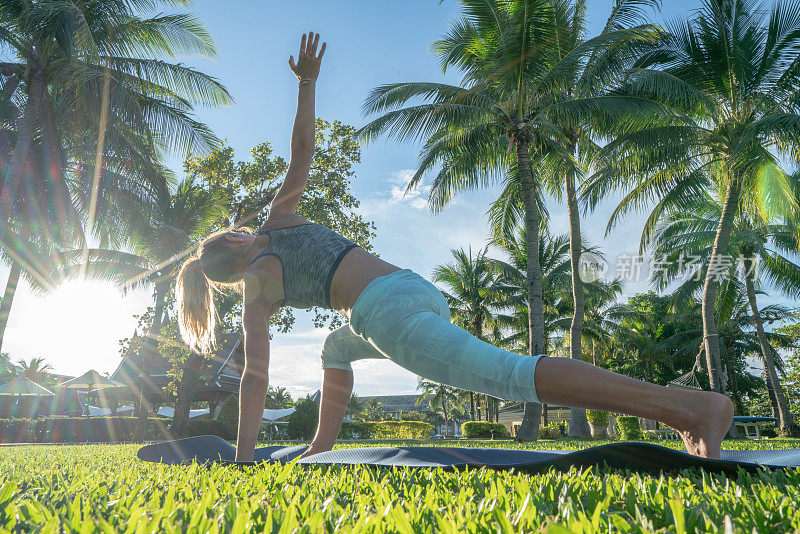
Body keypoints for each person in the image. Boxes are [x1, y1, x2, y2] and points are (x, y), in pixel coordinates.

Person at [175, 32, 733, 463]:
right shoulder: (280, 219)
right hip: (412, 289)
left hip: (389, 318)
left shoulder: (257, 282)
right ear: (236, 237)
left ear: (224, 278)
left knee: (512, 375)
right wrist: (307, 82)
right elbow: (301, 150)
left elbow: (254, 376)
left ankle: (688, 409)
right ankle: (321, 447)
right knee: (335, 349)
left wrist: (245, 458)